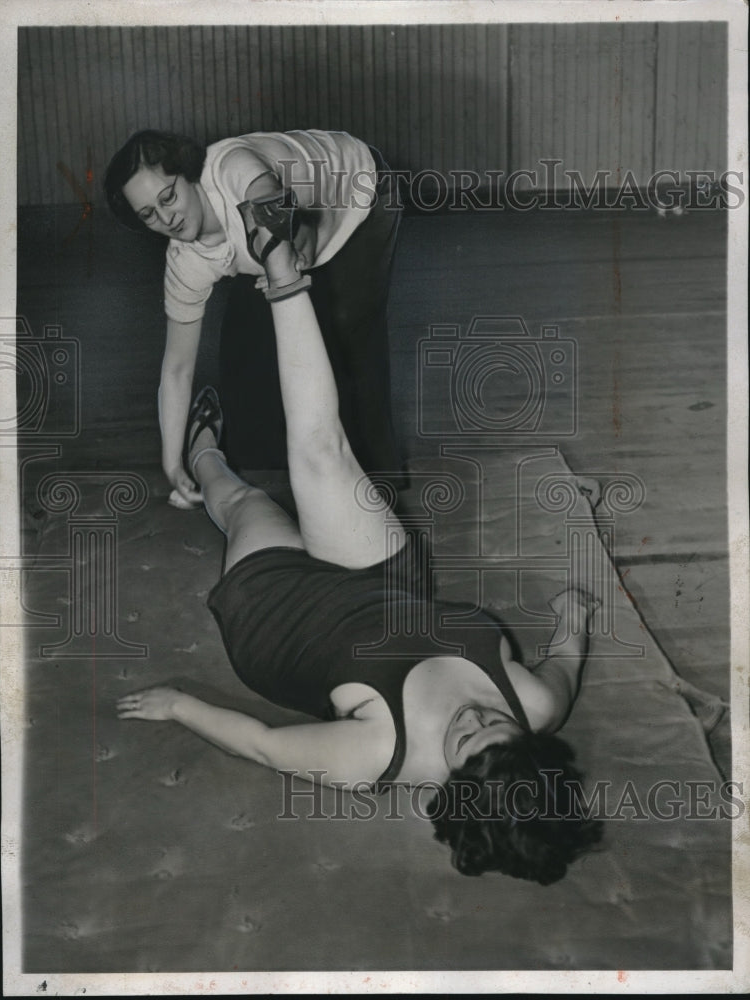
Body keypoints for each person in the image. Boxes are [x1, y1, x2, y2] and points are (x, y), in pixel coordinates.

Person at [117, 210, 603, 885]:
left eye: (465, 737)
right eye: (496, 721)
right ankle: (281, 275)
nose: (475, 714)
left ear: (449, 784)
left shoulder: (375, 752)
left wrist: (181, 707)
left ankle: (201, 455)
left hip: (284, 617)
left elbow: (265, 746)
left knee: (242, 503)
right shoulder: (538, 705)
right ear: (531, 742)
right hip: (383, 582)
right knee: (320, 453)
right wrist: (572, 622)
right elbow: (565, 666)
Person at [104, 127, 403, 508]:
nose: (167, 218)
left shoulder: (233, 169)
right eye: (149, 214)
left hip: (362, 188)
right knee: (244, 341)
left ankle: (380, 486)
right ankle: (273, 471)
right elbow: (177, 368)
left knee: (348, 333)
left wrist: (292, 258)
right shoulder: (185, 261)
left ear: (188, 172)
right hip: (295, 225)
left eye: (168, 196)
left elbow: (291, 219)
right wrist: (171, 460)